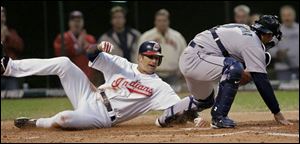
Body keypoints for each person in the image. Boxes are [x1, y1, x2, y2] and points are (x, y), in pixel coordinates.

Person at [1, 41, 202, 130]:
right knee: (63, 62)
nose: (153, 61)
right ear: (140, 57)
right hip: (90, 94)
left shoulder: (160, 87)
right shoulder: (122, 63)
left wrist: (197, 119)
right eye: (149, 56)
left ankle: (36, 123)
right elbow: (90, 54)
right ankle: (8, 66)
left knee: (62, 118)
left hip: (101, 116)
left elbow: (181, 106)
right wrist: (98, 47)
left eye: (157, 58)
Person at [156, 15, 292, 129]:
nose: (272, 40)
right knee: (233, 68)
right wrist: (277, 112)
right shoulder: (253, 43)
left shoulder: (245, 30)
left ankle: (165, 117)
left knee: (204, 100)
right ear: (268, 34)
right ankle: (219, 117)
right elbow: (262, 82)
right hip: (196, 59)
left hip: (195, 57)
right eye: (272, 36)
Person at [138, 9, 187, 91]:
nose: (162, 23)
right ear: (155, 21)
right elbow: (139, 57)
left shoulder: (177, 36)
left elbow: (185, 56)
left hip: (173, 75)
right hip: (153, 74)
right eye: (159, 20)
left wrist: (183, 73)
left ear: (168, 21)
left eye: (164, 20)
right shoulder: (146, 37)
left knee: (173, 100)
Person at [53, 10, 96, 80]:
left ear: (83, 23)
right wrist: (79, 45)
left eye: (79, 21)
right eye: (74, 21)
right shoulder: (62, 38)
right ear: (69, 23)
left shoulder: (90, 39)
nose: (77, 23)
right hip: (68, 79)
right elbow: (60, 56)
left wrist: (85, 46)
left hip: (87, 79)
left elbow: (95, 57)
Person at [269, 5, 299, 81]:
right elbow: (269, 47)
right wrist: (277, 53)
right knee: (285, 90)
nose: (287, 18)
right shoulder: (276, 31)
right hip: (283, 68)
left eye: (289, 15)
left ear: (294, 16)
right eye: (284, 15)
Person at [1, 6, 24, 90]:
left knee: (14, 97)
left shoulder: (11, 32)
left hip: (9, 74)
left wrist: (8, 36)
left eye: (3, 16)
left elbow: (20, 46)